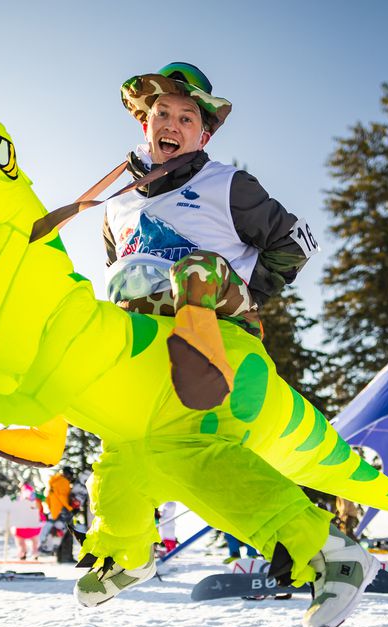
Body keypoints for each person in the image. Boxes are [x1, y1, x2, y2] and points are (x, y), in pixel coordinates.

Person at [104, 62, 316, 410]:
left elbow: (294, 243)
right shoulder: (116, 201)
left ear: (202, 137)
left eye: (186, 118)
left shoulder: (227, 185)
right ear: (146, 125)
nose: (172, 125)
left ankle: (208, 368)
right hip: (145, 322)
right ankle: (44, 428)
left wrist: (250, 289)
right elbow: (115, 267)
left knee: (195, 268)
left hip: (219, 312)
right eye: (162, 114)